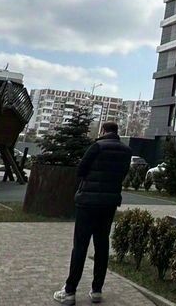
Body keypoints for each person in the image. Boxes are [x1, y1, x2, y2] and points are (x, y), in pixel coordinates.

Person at [53, 122, 132, 304]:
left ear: (103, 130)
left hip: (88, 203)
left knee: (80, 246)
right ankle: (97, 290)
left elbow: (81, 170)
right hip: (109, 204)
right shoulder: (127, 151)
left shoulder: (97, 146)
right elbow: (123, 174)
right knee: (102, 245)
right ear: (117, 132)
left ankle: (70, 291)